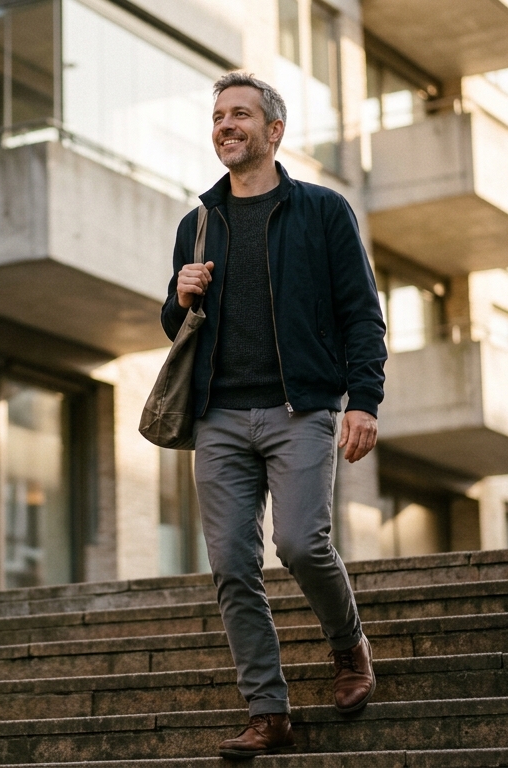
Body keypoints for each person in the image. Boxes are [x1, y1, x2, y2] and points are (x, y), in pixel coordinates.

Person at [160, 72, 387, 760]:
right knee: (232, 563)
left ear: (273, 131)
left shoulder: (322, 211)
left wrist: (364, 402)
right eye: (219, 116)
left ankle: (349, 648)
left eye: (240, 115)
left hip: (301, 409)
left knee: (299, 542)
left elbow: (360, 315)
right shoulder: (196, 222)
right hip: (219, 416)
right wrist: (177, 293)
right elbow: (177, 326)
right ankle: (268, 711)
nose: (226, 125)